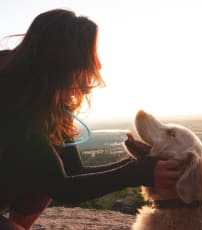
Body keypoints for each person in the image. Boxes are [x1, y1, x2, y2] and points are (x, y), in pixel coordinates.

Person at [0, 9, 180, 230]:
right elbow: (63, 189)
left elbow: (72, 172)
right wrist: (137, 173)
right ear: (59, 60)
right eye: (86, 57)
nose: (97, 66)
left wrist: (137, 165)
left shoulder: (48, 93)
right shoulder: (9, 96)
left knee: (43, 179)